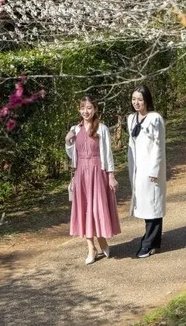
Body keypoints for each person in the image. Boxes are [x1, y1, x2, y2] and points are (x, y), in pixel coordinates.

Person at [64, 95, 121, 264]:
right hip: (81, 173)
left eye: (89, 108)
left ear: (95, 109)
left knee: (97, 208)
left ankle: (102, 240)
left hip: (98, 172)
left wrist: (111, 175)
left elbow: (108, 153)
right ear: (79, 110)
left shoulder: (102, 129)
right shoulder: (75, 129)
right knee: (84, 209)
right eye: (82, 108)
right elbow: (72, 154)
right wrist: (68, 140)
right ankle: (91, 248)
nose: (86, 111)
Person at [127, 85, 166, 258]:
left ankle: (148, 243)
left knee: (153, 204)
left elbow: (159, 146)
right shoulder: (131, 119)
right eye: (134, 99)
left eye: (140, 100)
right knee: (144, 204)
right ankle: (154, 241)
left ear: (147, 100)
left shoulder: (155, 119)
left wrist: (154, 170)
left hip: (151, 169)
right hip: (137, 169)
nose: (136, 103)